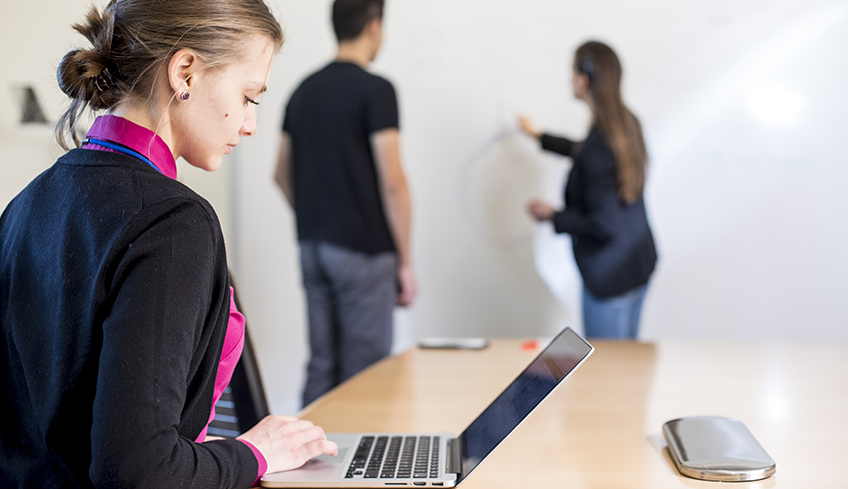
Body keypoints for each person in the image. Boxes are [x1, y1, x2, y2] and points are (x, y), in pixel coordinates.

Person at [0, 1, 337, 487]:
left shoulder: (25, 203)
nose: (250, 124)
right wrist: (255, 453)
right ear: (185, 73)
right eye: (249, 97)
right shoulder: (172, 223)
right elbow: (139, 472)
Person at [275, 0, 416, 407]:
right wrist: (405, 262)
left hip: (313, 247)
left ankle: (302, 466)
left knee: (322, 364)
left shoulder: (302, 91)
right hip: (364, 253)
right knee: (366, 373)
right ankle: (358, 468)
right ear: (374, 27)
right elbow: (393, 181)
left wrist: (315, 215)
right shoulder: (376, 89)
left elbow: (280, 172)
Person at [520, 41, 657, 339]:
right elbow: (585, 153)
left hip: (610, 278)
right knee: (626, 367)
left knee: (607, 376)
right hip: (637, 263)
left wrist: (553, 217)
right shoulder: (625, 125)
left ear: (583, 80)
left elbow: (602, 223)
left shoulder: (600, 147)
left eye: (572, 71)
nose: (569, 79)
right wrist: (539, 137)